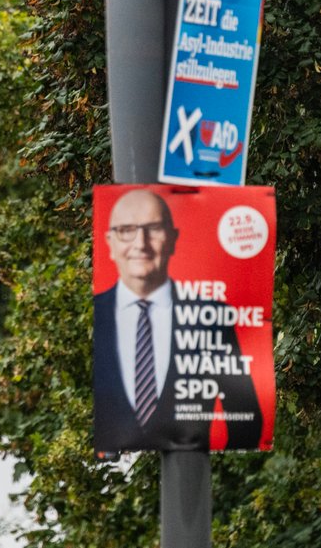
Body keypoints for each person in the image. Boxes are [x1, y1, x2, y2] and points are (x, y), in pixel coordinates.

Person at [93, 189, 262, 453]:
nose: (141, 243)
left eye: (154, 228)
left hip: (196, 474)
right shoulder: (97, 315)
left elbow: (247, 421)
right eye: (126, 230)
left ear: (172, 238)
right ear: (110, 241)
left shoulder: (212, 316)